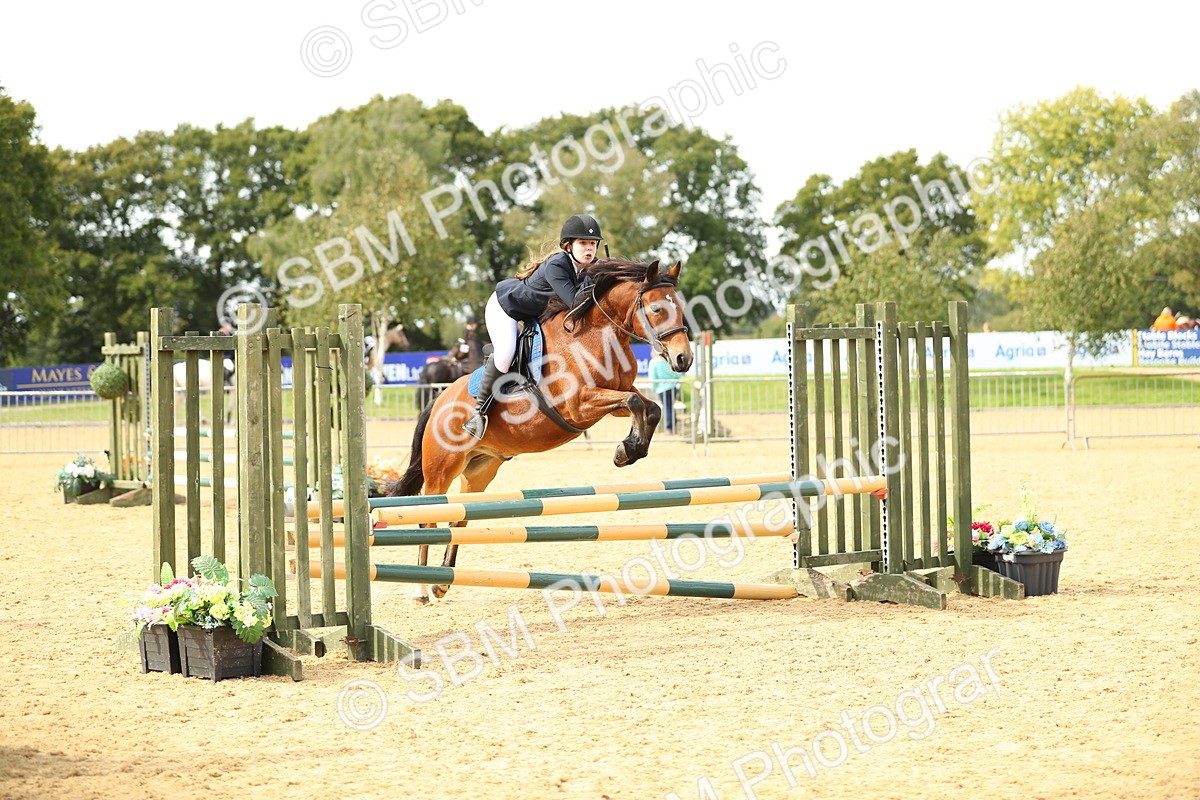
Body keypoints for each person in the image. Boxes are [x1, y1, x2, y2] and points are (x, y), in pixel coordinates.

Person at [462, 214, 604, 439]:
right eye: (583, 243)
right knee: (507, 352)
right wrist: (596, 276)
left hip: (533, 315)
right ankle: (479, 413)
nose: (589, 249)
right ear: (569, 245)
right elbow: (575, 302)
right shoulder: (558, 264)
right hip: (505, 307)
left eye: (593, 244)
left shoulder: (587, 267)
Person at [648, 351, 678, 434]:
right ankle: (673, 425)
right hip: (673, 386)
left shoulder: (654, 362)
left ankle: (669, 427)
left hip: (662, 388)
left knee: (667, 407)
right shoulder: (668, 361)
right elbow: (677, 374)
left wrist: (653, 387)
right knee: (671, 407)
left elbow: (653, 377)